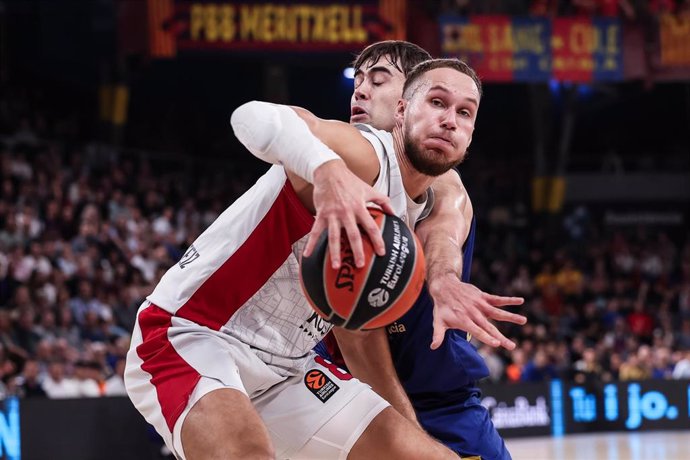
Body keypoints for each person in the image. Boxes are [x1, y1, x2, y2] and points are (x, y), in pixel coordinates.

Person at [125, 58, 489, 459]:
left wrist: (445, 279)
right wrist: (328, 170)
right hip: (193, 335)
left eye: (464, 112)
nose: (450, 120)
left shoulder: (421, 205)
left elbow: (445, 230)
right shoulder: (363, 154)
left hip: (289, 367)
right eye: (438, 102)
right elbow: (251, 116)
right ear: (402, 110)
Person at [317, 41, 520, 459]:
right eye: (357, 82)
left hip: (443, 398)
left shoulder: (439, 180)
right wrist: (412, 442)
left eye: (378, 80)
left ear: (408, 103)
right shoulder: (335, 179)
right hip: (350, 394)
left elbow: (443, 228)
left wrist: (444, 277)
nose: (359, 92)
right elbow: (358, 342)